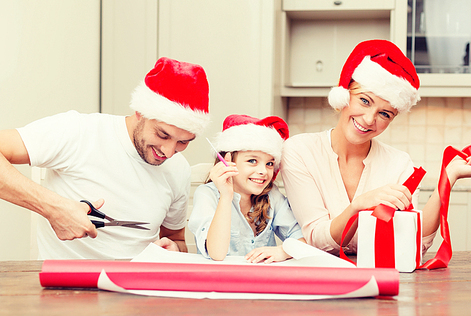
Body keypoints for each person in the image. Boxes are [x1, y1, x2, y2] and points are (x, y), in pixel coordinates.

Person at [280, 39, 471, 256]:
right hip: (319, 278)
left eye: (385, 114)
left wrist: (450, 175)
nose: (369, 119)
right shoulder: (299, 151)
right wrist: (359, 205)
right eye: (364, 101)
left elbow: (413, 243)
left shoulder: (399, 164)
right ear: (345, 94)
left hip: (381, 278)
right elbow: (317, 239)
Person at [0, 57, 210, 259]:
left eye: (183, 142)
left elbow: (175, 238)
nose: (169, 151)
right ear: (140, 112)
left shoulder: (178, 169)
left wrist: (174, 249)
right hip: (64, 289)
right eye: (162, 135)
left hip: (136, 289)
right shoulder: (78, 131)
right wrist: (53, 208)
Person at [188, 114, 305, 263]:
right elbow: (217, 254)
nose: (263, 171)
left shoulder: (272, 195)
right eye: (252, 161)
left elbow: (303, 239)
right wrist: (225, 196)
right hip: (219, 282)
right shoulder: (207, 195)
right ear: (227, 161)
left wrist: (283, 251)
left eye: (269, 163)